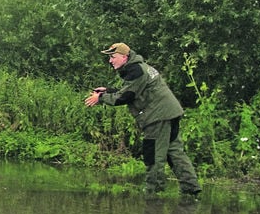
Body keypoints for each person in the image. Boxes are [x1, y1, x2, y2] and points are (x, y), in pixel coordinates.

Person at [84, 43, 201, 197]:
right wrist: (107, 90)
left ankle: (153, 194)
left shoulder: (136, 70)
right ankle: (191, 190)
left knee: (153, 155)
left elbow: (125, 97)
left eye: (113, 57)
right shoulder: (138, 67)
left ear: (124, 57)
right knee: (174, 152)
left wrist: (100, 98)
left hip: (157, 117)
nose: (110, 61)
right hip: (169, 113)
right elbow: (131, 90)